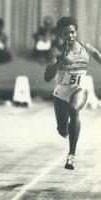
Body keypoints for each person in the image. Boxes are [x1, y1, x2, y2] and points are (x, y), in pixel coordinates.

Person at [44, 16, 101, 170]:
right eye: (66, 33)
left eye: (73, 32)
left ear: (76, 32)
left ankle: (71, 156)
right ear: (60, 35)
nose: (70, 36)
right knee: (63, 130)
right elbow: (47, 78)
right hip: (61, 93)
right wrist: (59, 61)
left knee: (74, 109)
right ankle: (66, 129)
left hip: (79, 88)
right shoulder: (56, 51)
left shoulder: (85, 47)